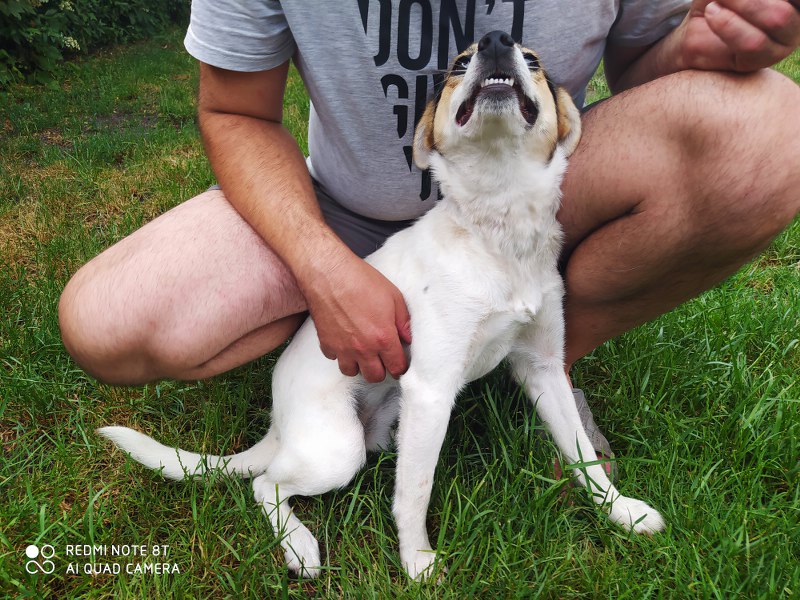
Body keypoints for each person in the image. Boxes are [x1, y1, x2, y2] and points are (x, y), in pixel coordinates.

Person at [58, 1, 800, 469]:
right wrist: (322, 267)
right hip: (340, 211)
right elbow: (234, 111)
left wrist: (704, 45)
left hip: (528, 204)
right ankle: (376, 347)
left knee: (772, 132)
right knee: (109, 322)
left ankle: (544, 359)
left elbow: (644, 67)